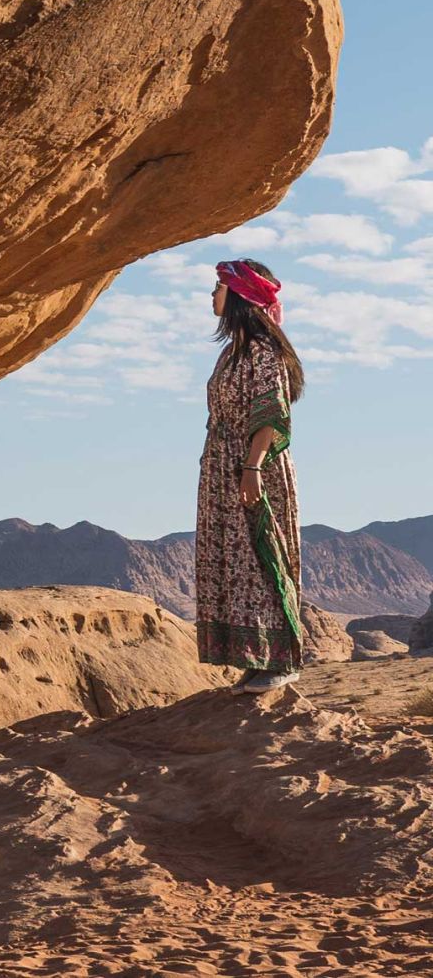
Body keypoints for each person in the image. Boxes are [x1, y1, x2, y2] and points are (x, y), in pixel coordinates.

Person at [195, 257, 305, 694]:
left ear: (240, 297)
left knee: (262, 557)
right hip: (224, 469)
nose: (212, 295)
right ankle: (255, 659)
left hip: (254, 468)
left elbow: (271, 415)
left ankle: (281, 661)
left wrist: (251, 468)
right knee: (233, 558)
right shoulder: (231, 354)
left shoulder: (264, 352)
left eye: (218, 287)